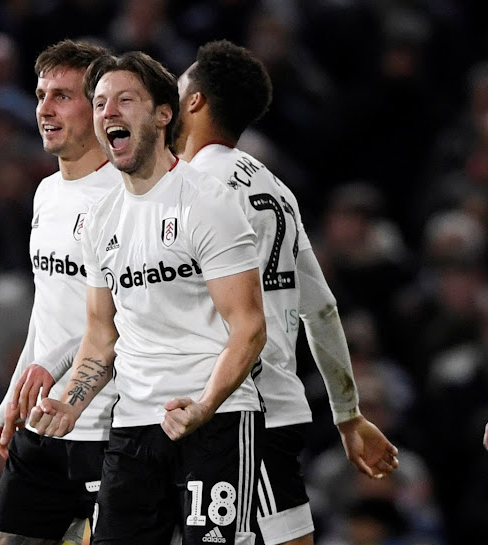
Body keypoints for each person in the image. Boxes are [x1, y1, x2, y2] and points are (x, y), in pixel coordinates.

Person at [29, 50, 267, 545]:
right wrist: (71, 404)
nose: (107, 112)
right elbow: (99, 336)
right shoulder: (100, 219)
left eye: (124, 100)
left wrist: (203, 405)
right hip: (134, 425)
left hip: (215, 419)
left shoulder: (208, 203)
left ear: (163, 114)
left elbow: (249, 327)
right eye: (98, 103)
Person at [172, 40, 399, 545]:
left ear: (196, 101)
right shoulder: (276, 188)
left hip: (229, 408)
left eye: (180, 85)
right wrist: (348, 415)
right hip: (275, 404)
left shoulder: (189, 189)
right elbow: (320, 308)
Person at [0, 39, 121, 545]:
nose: (44, 108)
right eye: (41, 94)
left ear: (100, 107)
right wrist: (13, 394)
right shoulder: (46, 193)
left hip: (108, 427)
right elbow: (48, 309)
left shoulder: (127, 198)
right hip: (43, 425)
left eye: (62, 95)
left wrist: (55, 370)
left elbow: (119, 321)